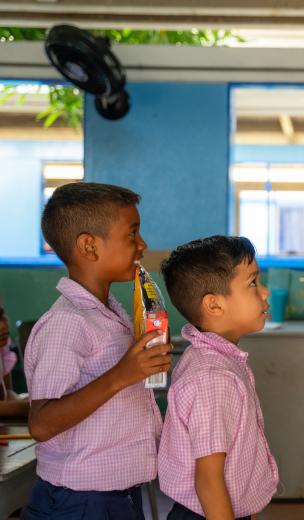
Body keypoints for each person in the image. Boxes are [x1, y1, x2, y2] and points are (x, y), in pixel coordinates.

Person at [23, 182, 172, 519]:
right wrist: (122, 375)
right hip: (78, 502)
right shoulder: (67, 322)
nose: (142, 244)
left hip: (116, 494)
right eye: (132, 234)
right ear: (89, 246)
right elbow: (42, 424)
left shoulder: (111, 311)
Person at [158, 235, 278, 520]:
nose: (265, 293)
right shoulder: (213, 377)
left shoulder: (219, 360)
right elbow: (209, 481)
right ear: (213, 305)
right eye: (252, 283)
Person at [0, 301, 29, 417]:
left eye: (1, 315)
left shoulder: (2, 351)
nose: (2, 326)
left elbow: (6, 394)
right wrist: (33, 407)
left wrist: (21, 399)